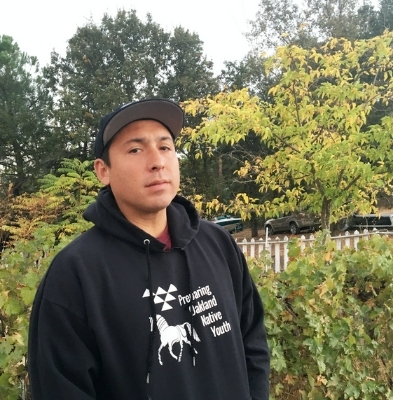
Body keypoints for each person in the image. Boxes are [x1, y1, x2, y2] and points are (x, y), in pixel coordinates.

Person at [28, 98, 270, 400]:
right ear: (103, 171)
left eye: (165, 147)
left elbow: (253, 343)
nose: (157, 161)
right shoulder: (76, 273)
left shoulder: (218, 244)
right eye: (136, 149)